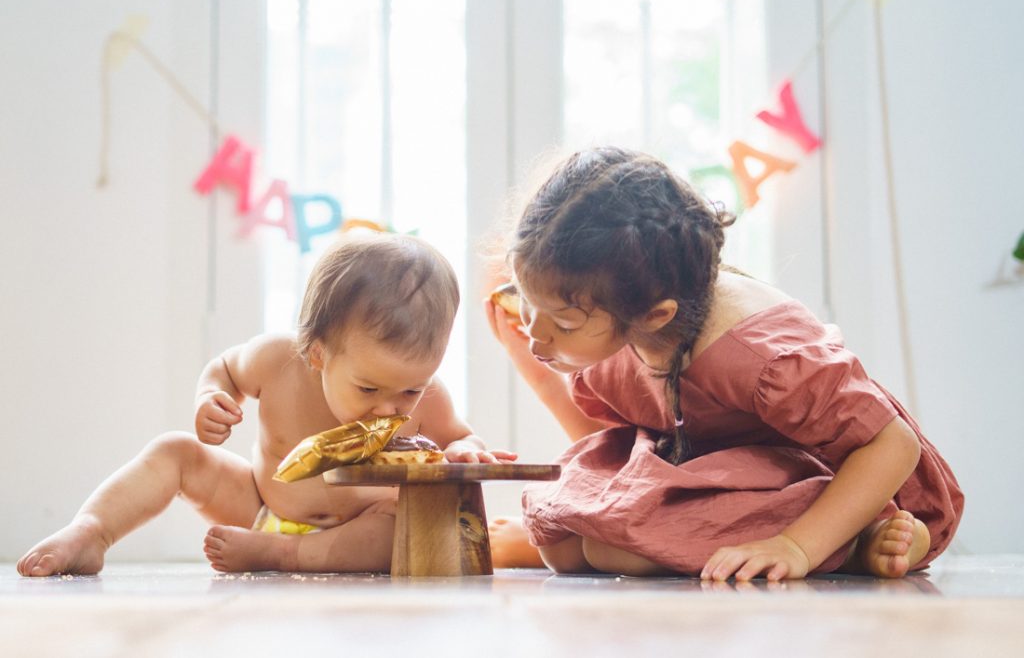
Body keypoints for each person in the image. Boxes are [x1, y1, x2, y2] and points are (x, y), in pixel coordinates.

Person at [483, 146, 963, 580]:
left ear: (654, 316)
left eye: (562, 324)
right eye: (526, 301)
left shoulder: (759, 359)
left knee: (618, 553)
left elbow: (893, 444)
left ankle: (855, 540)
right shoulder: (619, 311)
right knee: (564, 549)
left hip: (838, 475)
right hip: (707, 465)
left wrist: (796, 547)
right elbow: (609, 430)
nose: (536, 333)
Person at [18, 233, 514, 577]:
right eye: (368, 390)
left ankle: (285, 555)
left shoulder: (427, 395)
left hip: (353, 532)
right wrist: (212, 397)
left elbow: (458, 437)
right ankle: (92, 531)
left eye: (408, 390)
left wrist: (465, 450)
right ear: (317, 353)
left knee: (399, 528)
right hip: (258, 503)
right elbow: (224, 369)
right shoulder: (278, 360)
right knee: (174, 451)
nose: (389, 409)